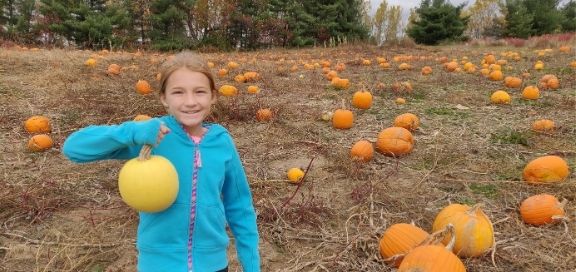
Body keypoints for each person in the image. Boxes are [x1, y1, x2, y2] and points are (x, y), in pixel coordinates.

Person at [62, 51, 260, 272]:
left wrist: (252, 265)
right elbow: (74, 148)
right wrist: (132, 131)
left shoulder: (221, 142)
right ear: (164, 98)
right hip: (158, 264)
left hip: (213, 264)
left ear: (213, 96)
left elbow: (240, 206)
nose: (190, 102)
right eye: (178, 92)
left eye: (200, 92)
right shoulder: (153, 136)